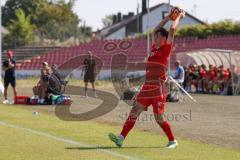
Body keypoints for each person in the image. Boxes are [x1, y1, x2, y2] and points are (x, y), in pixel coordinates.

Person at [108, 7, 185, 149]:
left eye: (157, 37)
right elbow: (157, 29)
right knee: (134, 111)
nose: (154, 38)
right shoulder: (154, 49)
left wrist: (178, 17)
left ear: (164, 38)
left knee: (158, 118)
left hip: (159, 88)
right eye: (155, 36)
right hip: (147, 86)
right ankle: (120, 138)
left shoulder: (166, 48)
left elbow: (172, 31)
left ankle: (172, 140)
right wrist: (168, 17)